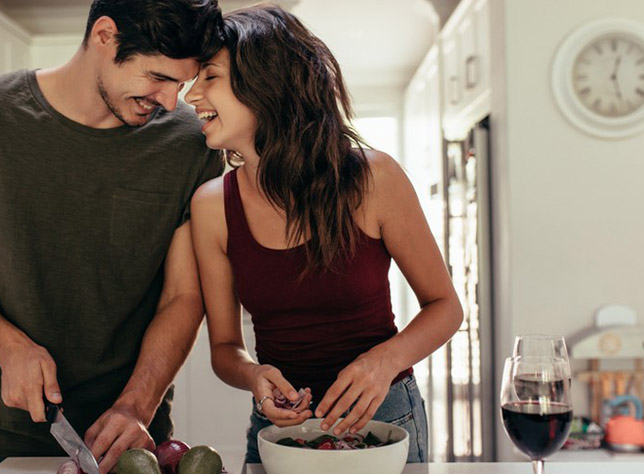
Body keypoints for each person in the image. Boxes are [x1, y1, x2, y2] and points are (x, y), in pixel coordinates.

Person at [0, 0, 223, 471]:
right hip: (8, 432)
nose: (168, 100)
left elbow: (183, 295)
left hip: (132, 438)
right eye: (157, 77)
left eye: (180, 84)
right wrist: (8, 347)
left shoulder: (187, 143)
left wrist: (138, 405)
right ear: (104, 35)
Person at [185, 5, 464, 464]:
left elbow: (446, 307)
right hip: (278, 428)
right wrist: (254, 376)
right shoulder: (212, 205)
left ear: (264, 83)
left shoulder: (373, 179)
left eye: (209, 76)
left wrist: (384, 362)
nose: (191, 95)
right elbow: (224, 348)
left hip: (387, 417)